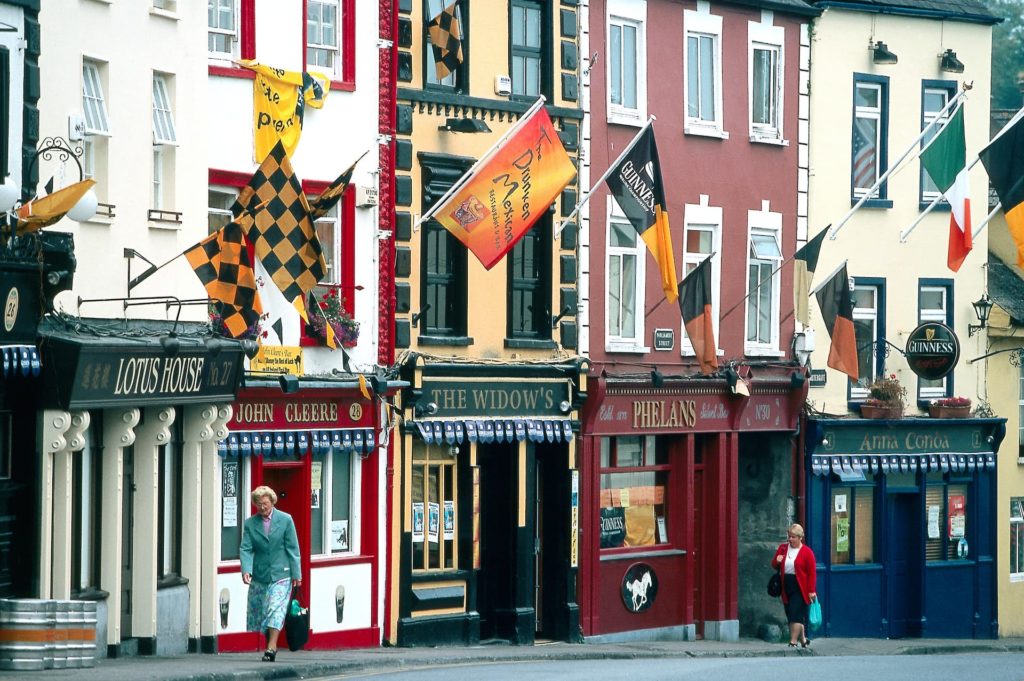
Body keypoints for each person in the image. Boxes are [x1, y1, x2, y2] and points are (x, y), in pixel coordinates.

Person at [240, 486, 301, 662]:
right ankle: (269, 643)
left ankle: (271, 647)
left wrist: (297, 574)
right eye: (258, 504)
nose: (262, 507)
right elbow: (245, 548)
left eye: (265, 503)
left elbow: (293, 549)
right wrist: (246, 570)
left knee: (276, 608)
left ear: (272, 502)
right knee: (263, 611)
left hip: (282, 573)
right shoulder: (250, 523)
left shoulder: (285, 520)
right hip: (260, 574)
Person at [772, 523, 816, 647]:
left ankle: (793, 642)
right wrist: (777, 561)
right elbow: (774, 564)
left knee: (795, 612)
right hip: (786, 584)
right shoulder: (783, 548)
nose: (790, 539)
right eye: (789, 536)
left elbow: (812, 573)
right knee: (791, 613)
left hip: (800, 586)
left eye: (793, 537)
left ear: (800, 537)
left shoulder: (807, 552)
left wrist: (811, 590)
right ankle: (803, 640)